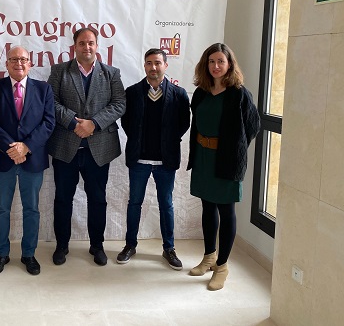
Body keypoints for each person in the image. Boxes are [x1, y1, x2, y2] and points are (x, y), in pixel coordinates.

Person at [47, 28, 126, 266]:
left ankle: (97, 246)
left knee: (98, 199)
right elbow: (51, 102)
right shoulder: (59, 71)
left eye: (91, 43)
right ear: (75, 46)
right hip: (66, 147)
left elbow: (119, 104)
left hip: (99, 149)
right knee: (63, 199)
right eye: (82, 43)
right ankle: (62, 246)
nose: (87, 47)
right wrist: (74, 123)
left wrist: (94, 124)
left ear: (97, 45)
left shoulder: (111, 73)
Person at [187, 43, 260, 290]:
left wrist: (233, 148)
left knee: (226, 211)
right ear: (205, 65)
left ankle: (222, 266)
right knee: (208, 208)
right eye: (211, 61)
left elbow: (253, 126)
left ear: (229, 64)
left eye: (221, 61)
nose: (216, 66)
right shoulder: (201, 92)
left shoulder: (239, 94)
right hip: (203, 157)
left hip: (227, 160)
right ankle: (209, 257)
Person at [0, 46, 55, 276]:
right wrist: (11, 147)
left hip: (32, 160)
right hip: (2, 158)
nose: (19, 63)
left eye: (23, 59)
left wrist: (26, 147)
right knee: (1, 209)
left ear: (30, 63)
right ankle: (1, 253)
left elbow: (48, 122)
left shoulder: (44, 89)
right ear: (6, 64)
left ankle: (28, 254)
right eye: (14, 59)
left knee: (31, 209)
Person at [117, 48, 190, 269]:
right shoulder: (132, 92)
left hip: (165, 161)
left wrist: (167, 142)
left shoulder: (179, 94)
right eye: (149, 63)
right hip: (139, 160)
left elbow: (183, 124)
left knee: (166, 204)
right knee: (134, 203)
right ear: (144, 66)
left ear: (165, 65)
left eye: (158, 63)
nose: (153, 67)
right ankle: (130, 245)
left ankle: (169, 248)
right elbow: (127, 123)